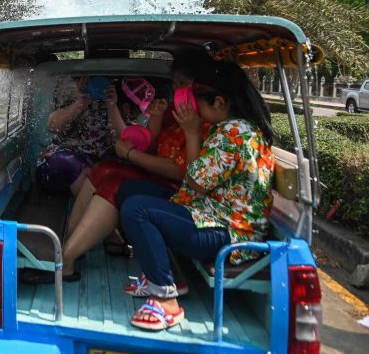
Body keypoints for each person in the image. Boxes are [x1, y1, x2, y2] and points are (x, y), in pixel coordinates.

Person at [119, 61, 275, 332]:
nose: (196, 112)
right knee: (130, 190)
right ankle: (169, 277)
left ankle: (166, 300)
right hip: (210, 214)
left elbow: (192, 183)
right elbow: (196, 186)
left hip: (230, 234)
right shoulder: (231, 128)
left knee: (137, 209)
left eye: (199, 104)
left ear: (220, 102)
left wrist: (191, 132)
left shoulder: (234, 135)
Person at [46, 53, 217, 284]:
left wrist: (130, 155)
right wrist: (156, 118)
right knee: (104, 169)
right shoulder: (177, 111)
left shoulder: (204, 121)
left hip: (182, 190)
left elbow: (181, 171)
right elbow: (153, 148)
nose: (177, 90)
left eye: (182, 84)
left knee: (116, 182)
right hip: (165, 180)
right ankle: (68, 245)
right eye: (175, 84)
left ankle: (66, 257)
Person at [34, 76, 117, 195]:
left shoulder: (118, 93)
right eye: (91, 79)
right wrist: (81, 101)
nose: (97, 86)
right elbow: (52, 126)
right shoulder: (71, 90)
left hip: (98, 158)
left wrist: (112, 104)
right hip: (65, 157)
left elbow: (123, 138)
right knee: (71, 162)